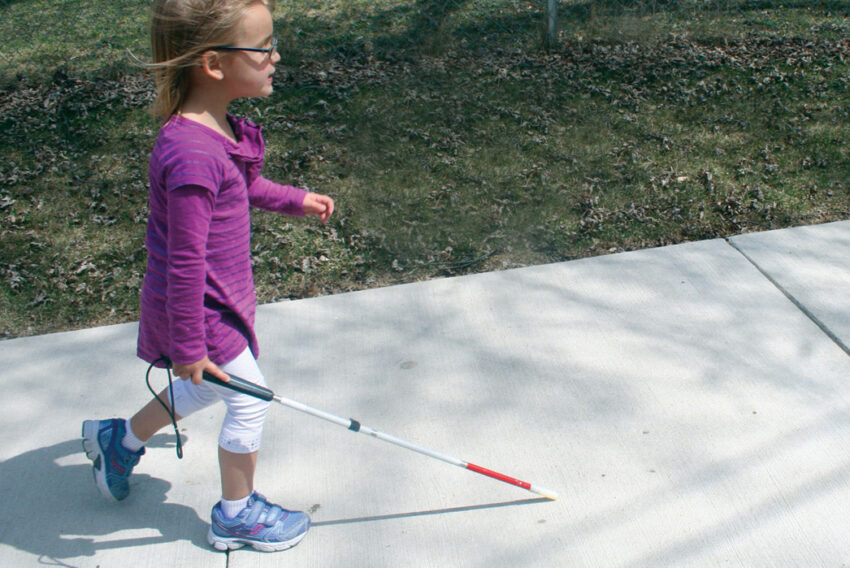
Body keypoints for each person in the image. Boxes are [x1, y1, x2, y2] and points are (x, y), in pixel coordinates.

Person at [81, 0, 334, 553]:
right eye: (263, 47)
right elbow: (183, 263)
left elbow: (243, 187)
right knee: (250, 399)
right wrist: (189, 345)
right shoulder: (192, 156)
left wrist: (295, 200)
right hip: (200, 308)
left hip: (215, 302)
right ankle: (236, 516)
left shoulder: (212, 129)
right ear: (215, 64)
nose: (275, 56)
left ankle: (117, 441)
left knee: (201, 395)